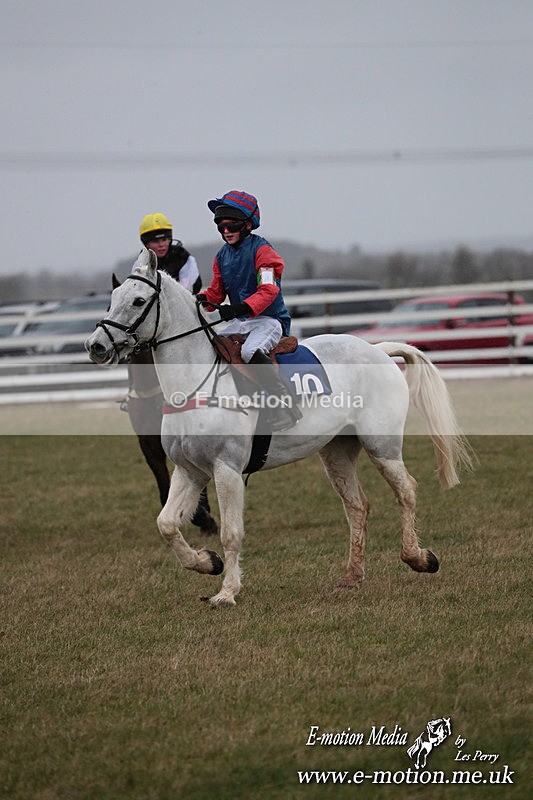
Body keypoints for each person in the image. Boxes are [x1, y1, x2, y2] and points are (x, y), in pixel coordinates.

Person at [124, 213, 217, 534]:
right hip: (157, 327)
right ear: (145, 244)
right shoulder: (141, 267)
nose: (160, 243)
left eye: (164, 237)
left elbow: (188, 293)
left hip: (186, 321)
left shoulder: (185, 260)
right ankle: (135, 395)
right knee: (135, 350)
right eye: (154, 239)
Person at [198, 190, 302, 431]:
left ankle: (284, 405)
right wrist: (202, 299)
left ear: (247, 224)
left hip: (269, 320)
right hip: (242, 321)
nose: (226, 231)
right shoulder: (221, 256)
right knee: (213, 345)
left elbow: (268, 290)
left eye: (231, 224)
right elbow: (216, 292)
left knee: (250, 351)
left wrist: (239, 308)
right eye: (220, 226)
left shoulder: (263, 252)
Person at [137, 212, 201, 292]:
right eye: (155, 241)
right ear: (146, 244)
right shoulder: (141, 262)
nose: (161, 245)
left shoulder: (182, 256)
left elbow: (188, 289)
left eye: (164, 240)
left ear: (170, 240)